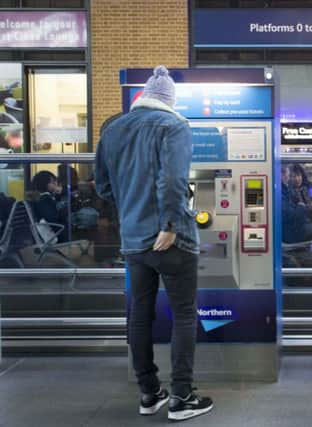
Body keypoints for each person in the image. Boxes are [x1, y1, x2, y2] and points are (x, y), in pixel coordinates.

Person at [95, 66, 213, 421]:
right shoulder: (174, 126)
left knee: (140, 315)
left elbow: (102, 186)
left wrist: (131, 211)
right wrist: (171, 225)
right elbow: (174, 180)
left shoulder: (112, 129)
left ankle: (149, 393)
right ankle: (181, 397)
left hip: (133, 240)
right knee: (183, 314)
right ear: (169, 101)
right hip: (170, 239)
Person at [31, 170, 69, 243]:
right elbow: (53, 217)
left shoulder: (46, 198)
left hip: (57, 230)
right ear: (44, 184)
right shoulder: (44, 200)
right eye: (52, 182)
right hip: (57, 234)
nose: (55, 183)